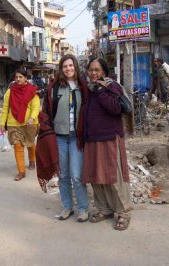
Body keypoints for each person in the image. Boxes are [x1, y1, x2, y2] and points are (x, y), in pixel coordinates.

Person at [36, 54, 89, 222]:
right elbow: (45, 112)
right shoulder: (54, 87)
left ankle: (83, 208)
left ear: (75, 67)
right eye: (65, 66)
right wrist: (47, 132)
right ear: (61, 68)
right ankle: (67, 207)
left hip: (76, 138)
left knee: (76, 175)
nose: (68, 69)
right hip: (59, 137)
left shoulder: (83, 86)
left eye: (71, 65)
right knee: (63, 175)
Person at [82, 58, 133, 231]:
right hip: (92, 139)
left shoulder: (112, 87)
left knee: (113, 177)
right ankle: (105, 209)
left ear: (104, 72)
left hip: (109, 138)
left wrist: (102, 91)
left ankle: (123, 212)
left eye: (97, 70)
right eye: (90, 70)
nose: (93, 73)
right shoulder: (89, 89)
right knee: (96, 177)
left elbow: (115, 109)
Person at [0, 69, 40, 181]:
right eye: (16, 77)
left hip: (29, 123)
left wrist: (32, 118)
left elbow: (36, 107)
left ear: (26, 78)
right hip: (13, 123)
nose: (18, 79)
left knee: (30, 144)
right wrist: (2, 123)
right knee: (18, 146)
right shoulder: (10, 92)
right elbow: (5, 108)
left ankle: (32, 160)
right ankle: (21, 171)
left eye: (20, 77)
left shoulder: (32, 91)